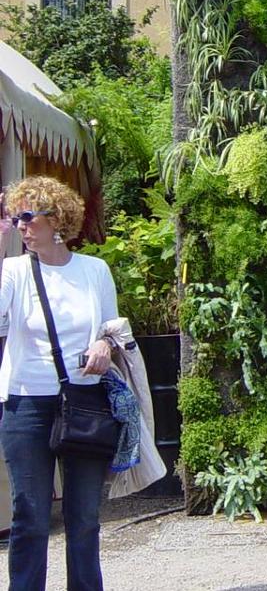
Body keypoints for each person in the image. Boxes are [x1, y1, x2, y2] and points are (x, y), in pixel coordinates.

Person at [0, 177, 120, 591]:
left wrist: (104, 344)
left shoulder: (94, 271)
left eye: (27, 216)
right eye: (15, 218)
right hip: (26, 404)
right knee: (30, 514)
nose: (21, 226)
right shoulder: (13, 271)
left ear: (56, 219)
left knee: (84, 516)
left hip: (84, 399)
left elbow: (113, 328)